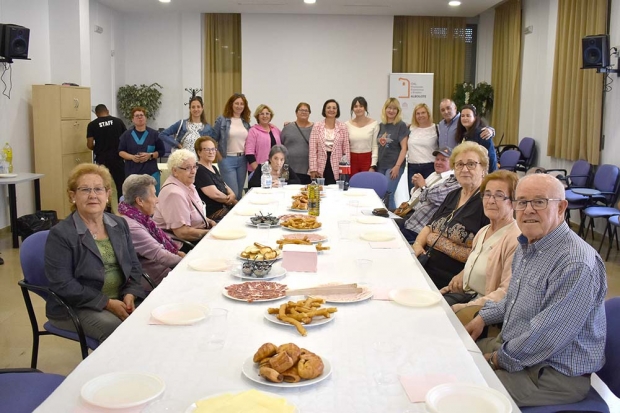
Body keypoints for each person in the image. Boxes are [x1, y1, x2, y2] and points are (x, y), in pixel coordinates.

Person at [465, 173, 607, 407]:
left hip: (553, 372)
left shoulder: (576, 263)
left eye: (539, 202)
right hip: (519, 349)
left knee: (467, 390)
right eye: (521, 202)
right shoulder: (528, 243)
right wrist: (482, 317)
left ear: (561, 207)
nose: (528, 210)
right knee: (454, 352)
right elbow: (514, 298)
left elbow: (545, 336)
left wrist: (495, 360)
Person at [44, 164, 145, 342]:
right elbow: (63, 285)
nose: (93, 195)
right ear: (72, 196)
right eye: (85, 190)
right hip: (76, 306)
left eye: (98, 189)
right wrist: (106, 303)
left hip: (120, 297)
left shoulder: (119, 224)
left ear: (107, 195)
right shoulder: (61, 234)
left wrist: (131, 293)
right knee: (119, 331)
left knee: (152, 318)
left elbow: (134, 265)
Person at [412, 141, 490, 289]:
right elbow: (429, 227)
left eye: (471, 164)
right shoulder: (453, 194)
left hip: (453, 277)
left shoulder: (487, 202)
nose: (464, 169)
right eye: (459, 164)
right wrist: (417, 244)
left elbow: (485, 253)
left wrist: (436, 239)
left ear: (483, 169)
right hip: (426, 262)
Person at [439, 170, 520, 309]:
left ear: (514, 202)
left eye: (499, 195)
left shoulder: (515, 239)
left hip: (483, 308)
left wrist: (466, 308)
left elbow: (506, 292)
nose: (491, 200)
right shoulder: (483, 231)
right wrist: (460, 279)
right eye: (487, 194)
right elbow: (476, 266)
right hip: (466, 295)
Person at [119, 174, 184, 290]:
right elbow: (161, 255)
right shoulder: (132, 226)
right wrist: (187, 261)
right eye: (154, 194)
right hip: (155, 281)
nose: (157, 200)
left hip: (164, 272)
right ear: (140, 201)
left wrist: (179, 255)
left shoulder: (140, 218)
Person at [396, 147, 459, 242]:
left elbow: (431, 198)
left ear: (452, 163)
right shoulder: (434, 174)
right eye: (437, 159)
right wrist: (417, 186)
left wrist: (422, 186)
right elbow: (415, 195)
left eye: (443, 160)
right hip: (408, 212)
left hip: (417, 224)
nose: (438, 162)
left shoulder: (450, 181)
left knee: (386, 230)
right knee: (381, 221)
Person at [153, 149, 217, 242]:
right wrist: (211, 233)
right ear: (175, 171)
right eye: (188, 168)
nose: (193, 171)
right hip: (180, 244)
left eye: (194, 167)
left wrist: (211, 222)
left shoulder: (188, 184)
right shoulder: (174, 194)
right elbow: (182, 233)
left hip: (200, 231)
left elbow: (197, 213)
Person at [370, 98, 409, 210]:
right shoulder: (381, 126)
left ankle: (393, 221)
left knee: (388, 194)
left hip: (394, 166)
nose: (391, 111)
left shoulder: (401, 125)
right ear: (385, 109)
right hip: (381, 166)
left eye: (394, 108)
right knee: (379, 194)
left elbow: (404, 148)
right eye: (389, 108)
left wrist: (397, 166)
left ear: (398, 111)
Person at [118, 107, 166, 193]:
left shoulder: (154, 134)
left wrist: (150, 155)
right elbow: (120, 151)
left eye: (141, 115)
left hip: (151, 173)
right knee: (133, 198)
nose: (140, 117)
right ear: (132, 119)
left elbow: (161, 151)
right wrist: (132, 157)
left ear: (145, 118)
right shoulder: (126, 135)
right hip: (132, 173)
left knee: (153, 198)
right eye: (137, 116)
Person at [213, 93, 251, 200]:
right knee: (232, 193)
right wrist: (218, 154)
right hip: (227, 159)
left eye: (242, 104)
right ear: (231, 104)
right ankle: (229, 215)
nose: (239, 106)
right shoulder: (222, 119)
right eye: (236, 103)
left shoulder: (246, 122)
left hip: (242, 159)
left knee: (239, 193)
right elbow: (212, 138)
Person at [86, 104, 127, 202]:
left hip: (102, 159)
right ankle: (122, 209)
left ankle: (104, 209)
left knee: (101, 185)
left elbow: (90, 144)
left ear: (96, 113)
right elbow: (126, 139)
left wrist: (97, 147)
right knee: (121, 185)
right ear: (107, 111)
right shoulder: (118, 122)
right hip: (117, 158)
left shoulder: (92, 125)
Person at [194, 136, 238, 221]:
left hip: (223, 206)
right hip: (212, 212)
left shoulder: (213, 167)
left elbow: (224, 185)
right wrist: (231, 200)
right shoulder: (199, 170)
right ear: (199, 152)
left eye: (213, 149)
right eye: (207, 149)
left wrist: (232, 195)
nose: (211, 152)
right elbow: (215, 194)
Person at [308, 99, 350, 185]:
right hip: (321, 164)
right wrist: (313, 169)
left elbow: (346, 149)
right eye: (328, 108)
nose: (331, 110)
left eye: (334, 108)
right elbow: (312, 149)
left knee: (336, 191)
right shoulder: (317, 126)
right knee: (320, 191)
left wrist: (346, 167)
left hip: (338, 164)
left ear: (337, 111)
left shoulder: (343, 127)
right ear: (324, 110)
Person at [455, 104, 497, 172]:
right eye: (462, 116)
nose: (465, 118)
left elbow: (490, 157)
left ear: (474, 118)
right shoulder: (464, 134)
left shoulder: (482, 133)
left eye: (468, 116)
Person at [406, 103, 438, 193]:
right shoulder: (410, 128)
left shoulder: (436, 128)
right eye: (418, 113)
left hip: (430, 167)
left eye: (423, 113)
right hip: (413, 167)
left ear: (428, 114)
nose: (420, 115)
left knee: (429, 194)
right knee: (413, 195)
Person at [345, 96, 379, 177]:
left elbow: (375, 146)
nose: (358, 108)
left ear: (365, 108)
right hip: (352, 160)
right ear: (352, 109)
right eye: (355, 106)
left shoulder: (374, 124)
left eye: (361, 106)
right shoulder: (346, 125)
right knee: (352, 185)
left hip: (367, 159)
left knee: (366, 185)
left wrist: (373, 165)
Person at [281, 102, 313, 184]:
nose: (304, 112)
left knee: (306, 194)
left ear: (309, 113)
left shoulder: (315, 128)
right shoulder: (287, 128)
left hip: (308, 170)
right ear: (296, 113)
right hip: (288, 169)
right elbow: (281, 146)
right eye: (301, 110)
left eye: (306, 110)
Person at [245, 104, 281, 173]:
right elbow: (249, 153)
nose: (265, 116)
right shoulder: (253, 131)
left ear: (270, 116)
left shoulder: (275, 129)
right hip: (257, 170)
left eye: (267, 113)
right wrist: (258, 171)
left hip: (274, 170)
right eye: (261, 114)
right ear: (257, 116)